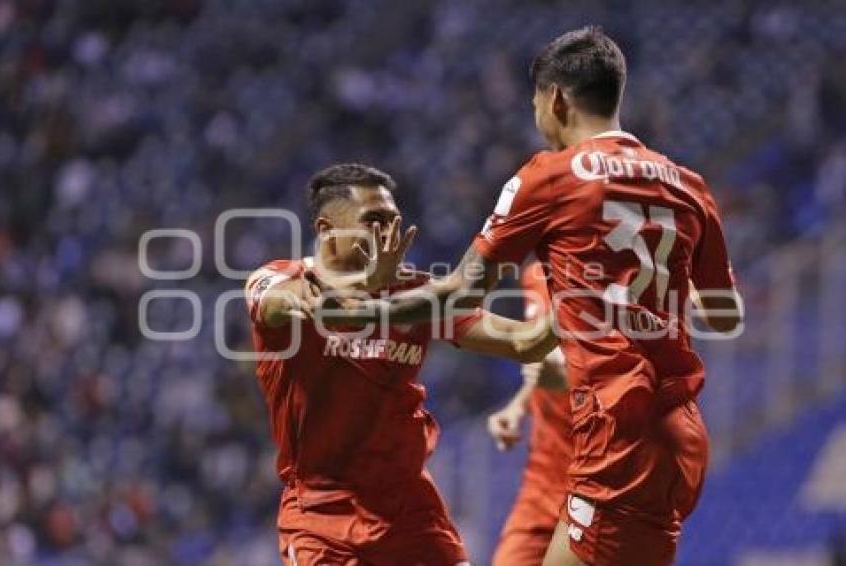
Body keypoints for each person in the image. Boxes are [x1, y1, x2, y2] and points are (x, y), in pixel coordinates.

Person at [307, 27, 743, 566]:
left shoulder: (551, 176)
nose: (537, 120)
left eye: (536, 104)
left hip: (619, 427)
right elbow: (725, 315)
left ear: (556, 99)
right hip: (682, 432)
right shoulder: (689, 184)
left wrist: (367, 311)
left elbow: (463, 289)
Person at [244, 163, 558, 566]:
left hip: (410, 511)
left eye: (393, 221)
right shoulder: (277, 279)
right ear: (326, 230)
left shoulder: (414, 294)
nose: (388, 235)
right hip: (322, 516)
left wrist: (585, 301)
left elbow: (524, 341)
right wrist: (368, 286)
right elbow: (318, 309)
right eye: (373, 221)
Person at [487, 258, 572, 566]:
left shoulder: (619, 277)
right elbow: (547, 357)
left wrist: (565, 378)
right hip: (544, 476)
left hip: (602, 475)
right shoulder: (535, 275)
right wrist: (519, 404)